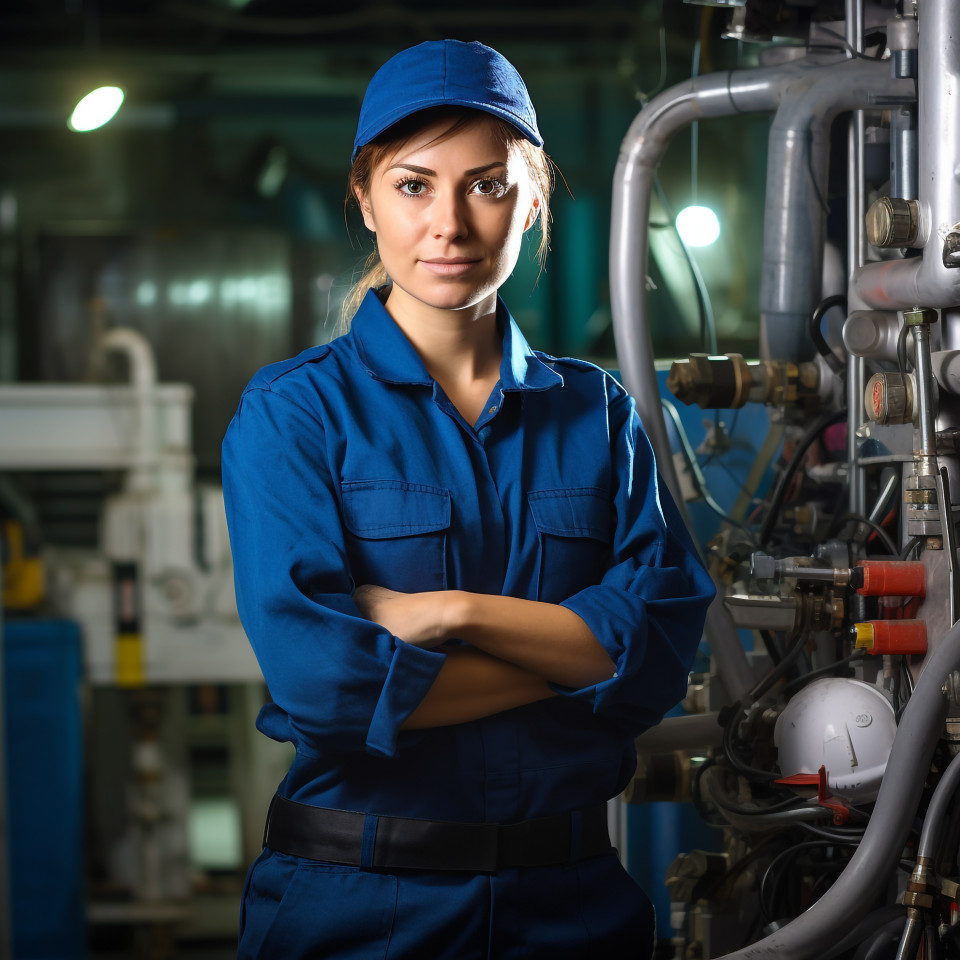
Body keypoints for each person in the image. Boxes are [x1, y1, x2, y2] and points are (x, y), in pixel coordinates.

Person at [221, 38, 715, 960]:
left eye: (486, 185)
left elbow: (660, 650)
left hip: (574, 909)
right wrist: (577, 659)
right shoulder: (294, 414)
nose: (448, 224)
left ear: (531, 203)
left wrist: (447, 613)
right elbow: (324, 686)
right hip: (357, 907)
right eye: (414, 185)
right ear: (366, 199)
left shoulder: (596, 413)